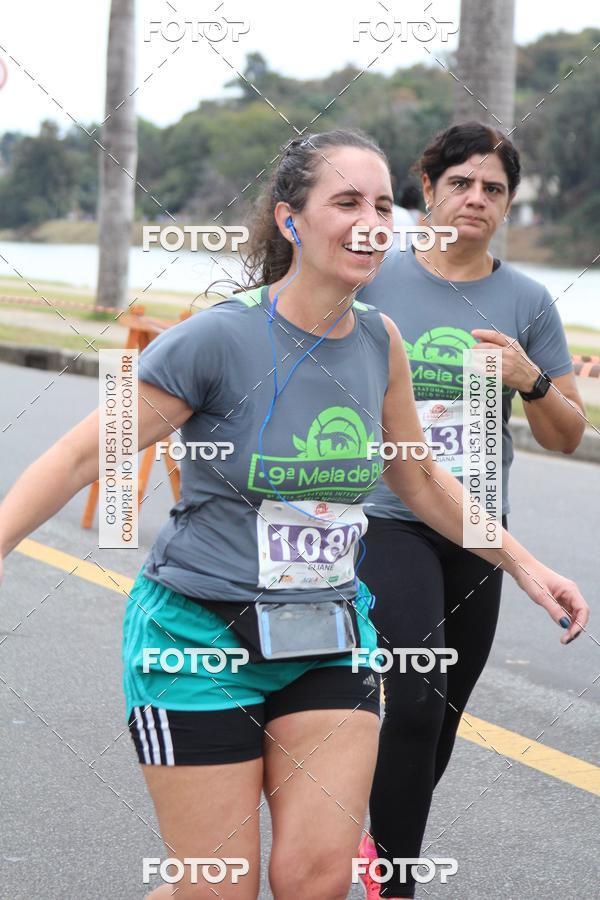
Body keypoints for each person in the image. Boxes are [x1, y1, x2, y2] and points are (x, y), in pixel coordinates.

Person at [0, 129, 588, 900]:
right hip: (197, 639)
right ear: (290, 221)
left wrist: (526, 564)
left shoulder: (381, 341)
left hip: (326, 636)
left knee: (315, 881)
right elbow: (84, 456)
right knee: (218, 888)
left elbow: (418, 479)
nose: (370, 221)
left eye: (382, 204)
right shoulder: (218, 337)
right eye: (346, 202)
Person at [356, 121, 587, 899]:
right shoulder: (376, 279)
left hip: (483, 533)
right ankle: (395, 881)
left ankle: (379, 836)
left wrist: (530, 380)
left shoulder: (526, 301)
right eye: (461, 183)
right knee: (414, 696)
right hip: (387, 518)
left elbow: (567, 434)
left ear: (508, 205)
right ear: (429, 191)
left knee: (442, 717)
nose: (476, 198)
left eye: (493, 188)